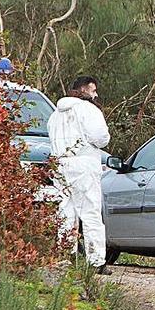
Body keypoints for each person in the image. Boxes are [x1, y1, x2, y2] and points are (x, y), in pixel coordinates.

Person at [48, 75, 111, 274]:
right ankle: (96, 261)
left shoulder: (55, 114)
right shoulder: (88, 110)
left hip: (60, 164)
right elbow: (101, 138)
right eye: (93, 90)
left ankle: (68, 255)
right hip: (83, 165)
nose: (96, 94)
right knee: (90, 212)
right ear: (84, 90)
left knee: (66, 210)